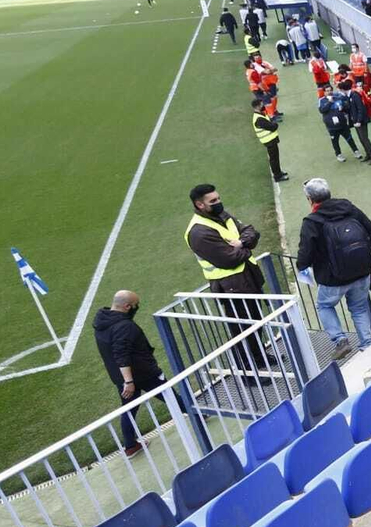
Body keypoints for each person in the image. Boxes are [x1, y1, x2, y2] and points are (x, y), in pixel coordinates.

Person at [184, 184, 270, 376]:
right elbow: (228, 259)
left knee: (256, 321)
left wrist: (241, 243)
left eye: (218, 198)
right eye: (213, 201)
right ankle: (247, 372)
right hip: (231, 288)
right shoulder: (198, 232)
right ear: (199, 205)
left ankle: (259, 357)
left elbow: (250, 231)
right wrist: (247, 247)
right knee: (241, 330)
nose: (218, 202)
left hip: (247, 280)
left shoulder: (222, 215)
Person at [295, 178, 371, 360]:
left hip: (332, 279)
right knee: (359, 308)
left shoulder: (312, 221)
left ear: (310, 199)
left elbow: (305, 253)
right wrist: (361, 252)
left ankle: (340, 340)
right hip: (362, 271)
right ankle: (369, 345)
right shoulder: (349, 208)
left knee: (324, 306)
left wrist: (304, 267)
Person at [92, 290, 182, 456]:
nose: (136, 308)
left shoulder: (101, 322)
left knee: (129, 409)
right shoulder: (124, 326)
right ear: (127, 306)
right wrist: (129, 381)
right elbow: (121, 353)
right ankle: (197, 414)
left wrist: (125, 381)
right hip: (142, 374)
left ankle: (130, 445)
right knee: (169, 395)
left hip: (122, 377)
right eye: (134, 305)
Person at [251, 96, 290, 182]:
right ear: (258, 106)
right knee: (274, 159)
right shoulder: (259, 119)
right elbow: (272, 127)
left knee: (275, 157)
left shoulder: (260, 115)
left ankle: (279, 172)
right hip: (269, 141)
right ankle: (277, 176)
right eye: (261, 104)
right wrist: (274, 124)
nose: (263, 105)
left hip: (271, 140)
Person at [320, 84, 361, 162]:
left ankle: (356, 151)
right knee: (335, 141)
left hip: (342, 124)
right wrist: (329, 102)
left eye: (330, 90)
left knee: (349, 138)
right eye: (327, 91)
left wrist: (343, 107)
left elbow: (346, 107)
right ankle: (338, 154)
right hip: (331, 127)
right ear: (324, 92)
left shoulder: (338, 97)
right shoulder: (322, 100)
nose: (329, 92)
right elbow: (322, 110)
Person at [343, 78, 371, 165]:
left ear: (344, 89)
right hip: (356, 122)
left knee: (365, 139)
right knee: (361, 139)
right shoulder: (349, 96)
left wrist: (359, 120)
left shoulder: (355, 95)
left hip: (361, 122)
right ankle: (368, 155)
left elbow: (361, 109)